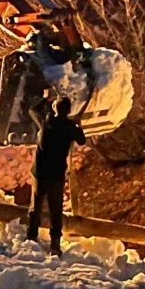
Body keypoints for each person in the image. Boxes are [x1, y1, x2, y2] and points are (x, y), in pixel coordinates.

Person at [26, 96, 85, 256]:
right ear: (69, 111)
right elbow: (82, 140)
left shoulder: (46, 122)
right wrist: (78, 125)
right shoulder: (70, 127)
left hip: (40, 172)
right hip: (56, 175)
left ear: (55, 109)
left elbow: (32, 109)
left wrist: (45, 98)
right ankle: (55, 245)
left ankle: (31, 237)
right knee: (55, 211)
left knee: (35, 206)